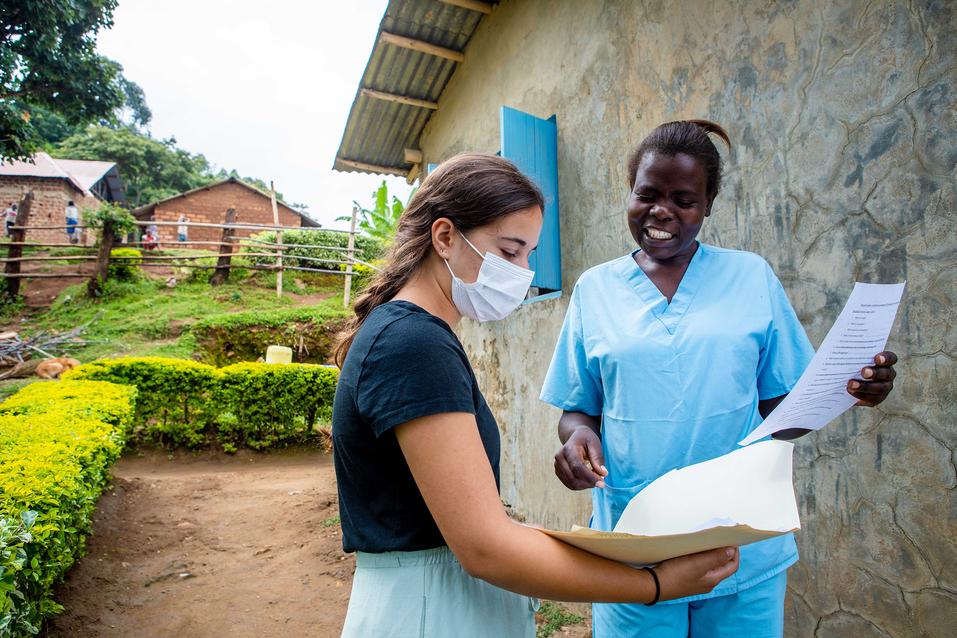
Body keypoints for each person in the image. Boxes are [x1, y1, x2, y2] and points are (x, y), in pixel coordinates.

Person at [332, 153, 740, 638]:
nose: (523, 273)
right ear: (444, 237)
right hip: (431, 610)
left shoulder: (416, 336)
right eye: (509, 252)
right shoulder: (413, 345)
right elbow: (485, 546)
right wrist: (652, 584)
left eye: (529, 255)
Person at [541, 120, 899, 638]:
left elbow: (785, 416)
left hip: (739, 541)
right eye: (647, 194)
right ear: (630, 193)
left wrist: (847, 390)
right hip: (633, 545)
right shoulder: (595, 291)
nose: (661, 211)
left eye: (684, 199)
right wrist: (577, 438)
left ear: (708, 204)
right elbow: (578, 408)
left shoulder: (751, 278)